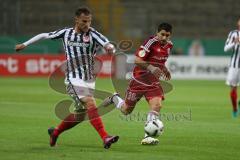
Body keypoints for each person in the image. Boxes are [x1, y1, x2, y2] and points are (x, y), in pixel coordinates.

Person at [15, 7, 119, 149]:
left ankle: (55, 132)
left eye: (89, 21)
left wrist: (110, 49)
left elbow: (107, 44)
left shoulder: (93, 33)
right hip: (73, 77)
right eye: (84, 21)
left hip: (88, 79)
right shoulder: (65, 33)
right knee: (90, 102)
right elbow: (45, 35)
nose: (87, 24)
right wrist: (25, 44)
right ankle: (105, 136)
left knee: (80, 116)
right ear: (76, 20)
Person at [104, 23, 173, 145]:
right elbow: (137, 60)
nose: (164, 38)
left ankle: (147, 137)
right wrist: (152, 68)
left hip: (153, 83)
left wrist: (165, 69)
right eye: (162, 34)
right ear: (157, 33)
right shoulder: (150, 42)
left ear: (170, 35)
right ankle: (115, 98)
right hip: (139, 81)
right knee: (126, 111)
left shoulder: (169, 45)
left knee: (157, 106)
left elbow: (161, 60)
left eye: (167, 35)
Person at [224, 18, 240, 117]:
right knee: (233, 87)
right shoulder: (233, 34)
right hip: (235, 66)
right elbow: (226, 48)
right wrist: (235, 42)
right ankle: (234, 109)